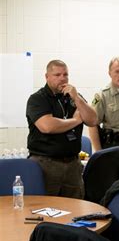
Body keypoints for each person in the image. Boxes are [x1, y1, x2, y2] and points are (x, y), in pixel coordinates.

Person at [26, 60, 98, 198]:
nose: (62, 78)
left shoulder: (74, 97)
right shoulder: (37, 99)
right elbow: (48, 126)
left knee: (75, 208)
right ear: (47, 77)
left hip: (72, 164)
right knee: (46, 207)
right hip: (46, 163)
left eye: (65, 74)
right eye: (57, 75)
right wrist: (76, 120)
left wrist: (76, 98)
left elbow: (93, 120)